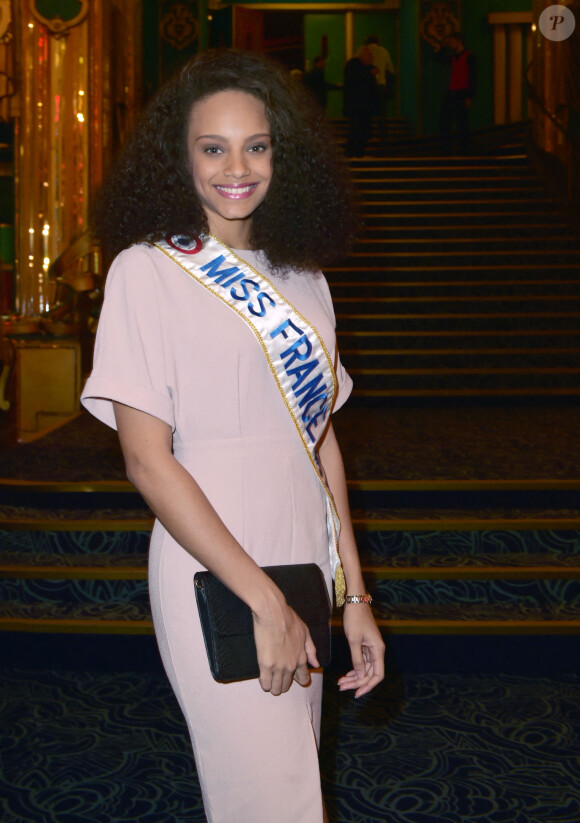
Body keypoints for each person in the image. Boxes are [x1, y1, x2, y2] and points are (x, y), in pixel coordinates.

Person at [81, 49, 385, 823]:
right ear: (179, 159)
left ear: (286, 154)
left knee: (298, 787)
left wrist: (354, 595)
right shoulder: (144, 273)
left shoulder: (305, 280)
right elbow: (148, 463)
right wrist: (264, 600)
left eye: (257, 145)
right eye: (212, 147)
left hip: (303, 554)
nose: (235, 167)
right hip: (213, 563)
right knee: (268, 799)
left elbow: (321, 446)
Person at [438, 32, 477, 154]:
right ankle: (445, 148)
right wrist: (443, 47)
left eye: (452, 41)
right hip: (452, 92)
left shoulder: (470, 56)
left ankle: (465, 148)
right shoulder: (453, 57)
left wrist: (469, 96)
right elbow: (439, 59)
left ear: (459, 41)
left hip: (462, 93)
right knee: (445, 120)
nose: (450, 44)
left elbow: (473, 77)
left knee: (462, 121)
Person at [343, 45, 379, 158]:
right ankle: (353, 152)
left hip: (363, 105)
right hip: (357, 105)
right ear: (363, 56)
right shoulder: (354, 66)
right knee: (357, 129)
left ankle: (357, 151)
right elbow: (358, 82)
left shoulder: (361, 67)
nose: (371, 59)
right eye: (370, 56)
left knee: (361, 129)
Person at [364, 35, 395, 146]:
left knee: (366, 110)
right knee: (382, 111)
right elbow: (390, 69)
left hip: (366, 87)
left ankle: (368, 135)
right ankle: (383, 135)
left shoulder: (363, 51)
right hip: (381, 85)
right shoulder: (384, 51)